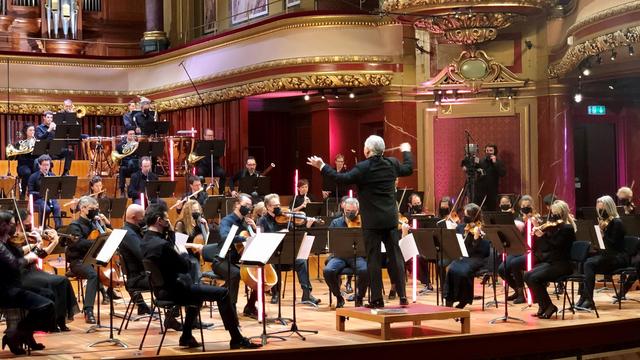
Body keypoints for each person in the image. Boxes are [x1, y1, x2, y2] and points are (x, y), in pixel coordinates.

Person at [307, 135, 412, 308]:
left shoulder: (364, 167)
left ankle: (377, 298)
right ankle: (402, 296)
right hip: (390, 219)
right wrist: (407, 151)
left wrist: (322, 166)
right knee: (396, 257)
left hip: (372, 222)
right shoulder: (392, 163)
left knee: (373, 260)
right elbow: (408, 168)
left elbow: (341, 179)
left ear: (368, 150)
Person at [141, 202, 260, 349]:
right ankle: (236, 338)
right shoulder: (163, 245)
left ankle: (186, 336)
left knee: (197, 297)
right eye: (166, 219)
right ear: (159, 220)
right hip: (176, 291)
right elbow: (186, 266)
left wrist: (171, 233)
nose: (168, 221)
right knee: (223, 293)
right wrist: (183, 252)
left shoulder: (146, 240)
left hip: (161, 291)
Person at [10, 210, 80, 332]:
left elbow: (40, 255)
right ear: (19, 221)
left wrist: (54, 242)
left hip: (33, 270)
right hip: (21, 273)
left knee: (62, 280)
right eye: (28, 221)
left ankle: (60, 320)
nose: (30, 223)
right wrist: (35, 245)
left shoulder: (28, 235)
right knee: (48, 283)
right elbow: (18, 254)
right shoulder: (10, 238)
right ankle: (50, 323)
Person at [0, 210, 55, 355]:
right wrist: (29, 258)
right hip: (5, 291)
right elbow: (14, 263)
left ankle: (25, 335)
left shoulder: (4, 242)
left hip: (13, 286)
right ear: (3, 225)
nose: (15, 227)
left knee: (49, 294)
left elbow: (16, 253)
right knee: (46, 306)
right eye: (12, 224)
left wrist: (36, 247)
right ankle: (15, 334)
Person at [258, 193, 321, 306]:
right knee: (273, 262)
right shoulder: (262, 221)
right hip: (272, 256)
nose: (278, 208)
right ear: (267, 206)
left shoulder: (286, 218)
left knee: (301, 261)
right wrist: (278, 234)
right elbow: (261, 239)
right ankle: (275, 293)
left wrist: (306, 226)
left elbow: (294, 234)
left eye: (279, 205)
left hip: (287, 253)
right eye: (274, 206)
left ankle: (307, 294)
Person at [524, 200, 576, 319]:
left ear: (561, 213)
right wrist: (539, 236)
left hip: (563, 264)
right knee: (527, 275)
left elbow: (557, 245)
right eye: (552, 212)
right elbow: (545, 247)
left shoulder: (567, 228)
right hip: (552, 262)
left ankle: (549, 306)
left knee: (534, 278)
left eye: (555, 213)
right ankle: (543, 305)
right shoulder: (554, 227)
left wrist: (543, 236)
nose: (552, 215)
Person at [66, 196, 112, 324]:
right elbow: (77, 244)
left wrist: (106, 224)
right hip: (79, 262)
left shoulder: (95, 223)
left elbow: (108, 235)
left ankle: (109, 293)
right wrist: (97, 242)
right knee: (93, 274)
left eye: (96, 209)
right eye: (92, 209)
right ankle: (88, 310)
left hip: (94, 259)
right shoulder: (74, 226)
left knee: (112, 265)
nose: (95, 211)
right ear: (83, 208)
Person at [578, 196, 628, 310]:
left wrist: (602, 234)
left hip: (618, 257)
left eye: (603, 210)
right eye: (599, 210)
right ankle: (583, 297)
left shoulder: (617, 222)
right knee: (582, 262)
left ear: (609, 208)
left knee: (589, 264)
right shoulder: (604, 222)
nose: (601, 212)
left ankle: (589, 299)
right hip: (607, 256)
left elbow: (613, 244)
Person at [213, 194, 256, 313]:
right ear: (237, 204)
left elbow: (253, 240)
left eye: (250, 206)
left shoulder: (247, 223)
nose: (248, 208)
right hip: (222, 261)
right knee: (235, 274)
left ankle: (251, 305)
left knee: (260, 270)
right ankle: (231, 309)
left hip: (239, 260)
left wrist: (254, 229)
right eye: (246, 205)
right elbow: (224, 236)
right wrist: (243, 239)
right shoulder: (227, 221)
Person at [443, 203, 491, 308]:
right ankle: (449, 298)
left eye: (467, 216)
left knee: (464, 271)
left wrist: (476, 239)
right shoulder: (462, 227)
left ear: (474, 217)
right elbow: (456, 243)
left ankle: (464, 300)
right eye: (464, 215)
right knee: (451, 269)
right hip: (464, 256)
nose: (464, 218)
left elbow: (484, 251)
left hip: (477, 258)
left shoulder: (483, 229)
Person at [324, 197, 367, 308]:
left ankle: (359, 297)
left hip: (357, 256)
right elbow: (330, 241)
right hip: (340, 256)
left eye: (353, 212)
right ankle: (338, 296)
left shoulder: (363, 222)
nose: (350, 214)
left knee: (365, 270)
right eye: (347, 211)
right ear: (344, 209)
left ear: (358, 210)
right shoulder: (336, 222)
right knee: (328, 271)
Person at [498, 195, 538, 304]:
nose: (525, 208)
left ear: (532, 207)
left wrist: (532, 222)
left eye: (528, 206)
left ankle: (521, 294)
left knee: (515, 264)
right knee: (502, 269)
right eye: (523, 206)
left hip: (533, 252)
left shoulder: (536, 218)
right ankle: (517, 289)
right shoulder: (519, 219)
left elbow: (538, 237)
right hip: (520, 249)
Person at [461, 144, 506, 211]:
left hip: (492, 192)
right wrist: (465, 166)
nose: (488, 152)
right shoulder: (480, 161)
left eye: (491, 150)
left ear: (495, 151)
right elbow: (471, 167)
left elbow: (502, 173)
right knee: (477, 210)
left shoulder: (499, 162)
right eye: (487, 150)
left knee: (491, 211)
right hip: (480, 192)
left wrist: (495, 163)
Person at [28, 155, 63, 229]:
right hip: (38, 199)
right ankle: (42, 226)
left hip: (50, 198)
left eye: (48, 165)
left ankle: (59, 229)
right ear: (39, 165)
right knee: (46, 208)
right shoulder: (33, 177)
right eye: (44, 165)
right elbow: (30, 192)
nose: (46, 167)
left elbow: (56, 189)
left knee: (57, 207)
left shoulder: (52, 175)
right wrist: (41, 194)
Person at [35, 111, 73, 176]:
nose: (50, 119)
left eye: (51, 118)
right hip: (45, 151)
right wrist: (49, 130)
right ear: (44, 118)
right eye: (48, 117)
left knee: (69, 151)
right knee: (47, 158)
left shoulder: (54, 127)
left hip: (55, 150)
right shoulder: (39, 128)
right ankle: (48, 175)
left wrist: (57, 130)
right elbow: (40, 138)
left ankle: (65, 172)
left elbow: (62, 139)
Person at [195, 128, 227, 194]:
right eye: (209, 135)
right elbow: (196, 157)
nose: (210, 137)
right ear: (204, 136)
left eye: (212, 136)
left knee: (222, 173)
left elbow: (220, 154)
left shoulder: (216, 144)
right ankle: (202, 193)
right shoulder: (199, 144)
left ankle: (221, 193)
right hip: (203, 166)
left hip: (215, 166)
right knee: (200, 172)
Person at [14, 123, 37, 200]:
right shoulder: (20, 143)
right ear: (25, 132)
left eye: (33, 130)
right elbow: (16, 158)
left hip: (33, 165)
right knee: (27, 172)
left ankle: (35, 194)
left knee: (38, 172)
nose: (32, 132)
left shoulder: (37, 143)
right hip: (22, 166)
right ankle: (23, 193)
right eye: (30, 130)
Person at [117, 127, 140, 196]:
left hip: (135, 168)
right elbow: (118, 158)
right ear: (127, 135)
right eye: (130, 134)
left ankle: (134, 190)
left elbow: (140, 157)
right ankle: (122, 190)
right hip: (126, 167)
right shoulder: (121, 145)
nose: (132, 136)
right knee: (122, 169)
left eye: (133, 134)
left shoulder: (138, 145)